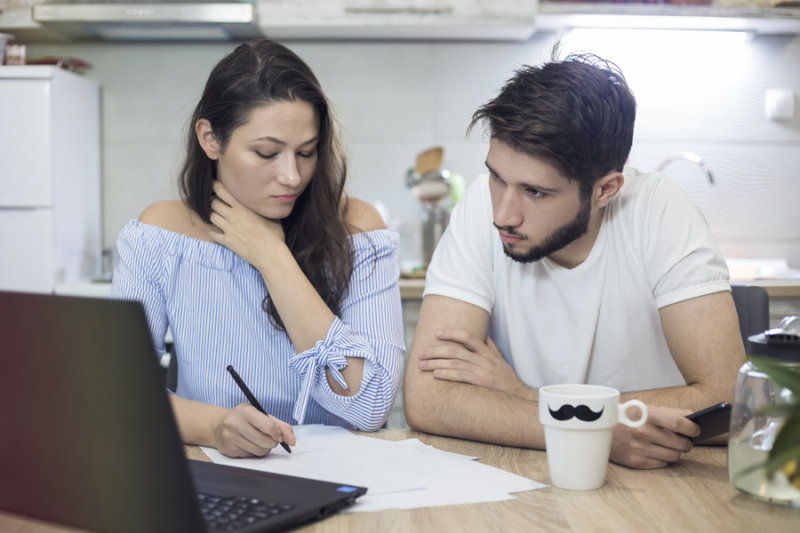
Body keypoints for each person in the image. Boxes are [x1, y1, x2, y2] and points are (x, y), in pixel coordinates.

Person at [403, 51, 746, 469]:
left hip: (658, 482)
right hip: (524, 476)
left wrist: (527, 398)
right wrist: (597, 427)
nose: (502, 215)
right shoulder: (478, 203)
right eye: (497, 177)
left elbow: (731, 399)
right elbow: (428, 400)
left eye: (536, 192)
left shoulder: (659, 209)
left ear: (605, 190)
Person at [110, 39, 405, 458]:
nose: (292, 176)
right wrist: (213, 426)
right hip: (219, 470)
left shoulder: (359, 231)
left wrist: (271, 255)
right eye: (266, 153)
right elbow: (120, 394)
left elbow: (370, 405)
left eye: (306, 152)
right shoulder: (159, 236)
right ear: (210, 139)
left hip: (350, 477)